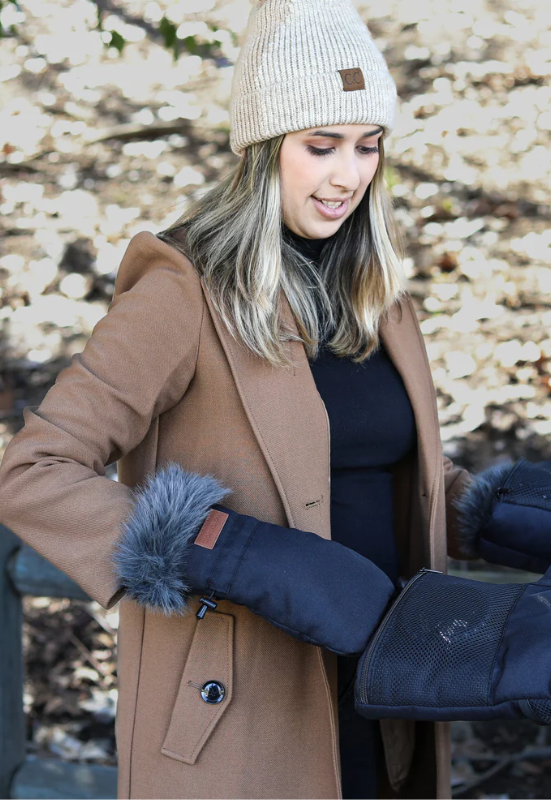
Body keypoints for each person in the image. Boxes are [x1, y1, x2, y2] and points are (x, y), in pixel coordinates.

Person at [0, 0, 479, 798]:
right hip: (239, 712)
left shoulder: (375, 295)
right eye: (319, 146)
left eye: (367, 147)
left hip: (380, 685)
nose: (347, 175)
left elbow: (380, 470)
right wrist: (237, 552)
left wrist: (503, 512)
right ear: (263, 149)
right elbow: (34, 470)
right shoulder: (184, 290)